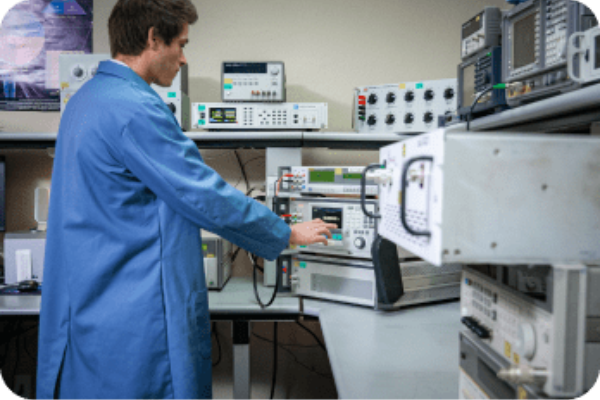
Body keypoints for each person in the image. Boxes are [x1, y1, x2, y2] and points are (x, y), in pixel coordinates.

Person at [36, 1, 336, 399]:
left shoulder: (86, 100)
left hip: (93, 303)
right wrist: (284, 232)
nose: (183, 58)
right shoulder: (134, 107)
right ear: (152, 38)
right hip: (135, 313)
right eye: (180, 44)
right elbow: (202, 193)